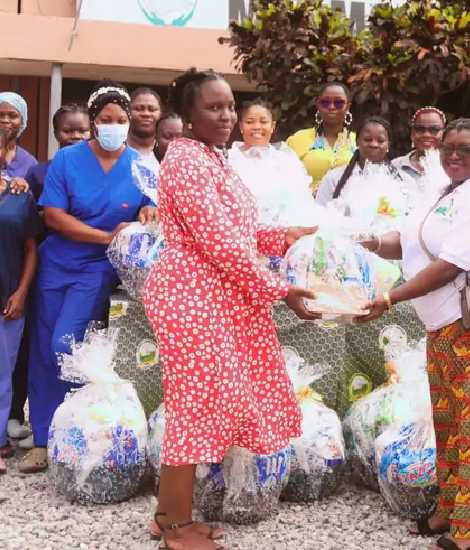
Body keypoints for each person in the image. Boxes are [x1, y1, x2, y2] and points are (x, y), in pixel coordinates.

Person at [142, 68, 319, 550]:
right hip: (191, 293)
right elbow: (218, 243)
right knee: (194, 404)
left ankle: (168, 515)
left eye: (229, 106)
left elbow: (237, 229)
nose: (225, 116)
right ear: (188, 114)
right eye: (212, 108)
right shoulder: (185, 160)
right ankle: (175, 529)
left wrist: (284, 237)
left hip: (212, 294)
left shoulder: (211, 158)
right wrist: (281, 290)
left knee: (203, 401)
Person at [358, 119, 470, 550]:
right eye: (447, 147)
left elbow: (448, 265)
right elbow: (413, 241)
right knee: (448, 416)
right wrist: (373, 241)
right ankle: (452, 507)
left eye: (465, 149)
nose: (453, 156)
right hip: (441, 322)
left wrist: (391, 297)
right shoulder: (442, 189)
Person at [18, 81, 157, 474]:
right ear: (94, 123)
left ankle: (75, 431)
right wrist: (104, 235)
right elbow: (54, 216)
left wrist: (148, 214)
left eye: (121, 120)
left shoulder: (142, 165)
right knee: (45, 350)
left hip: (98, 269)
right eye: (106, 120)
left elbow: (152, 208)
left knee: (66, 342)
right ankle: (44, 439)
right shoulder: (68, 161)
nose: (114, 126)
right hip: (56, 263)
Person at [6, 103, 92, 452]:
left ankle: (76, 423)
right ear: (55, 134)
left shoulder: (101, 168)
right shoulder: (39, 173)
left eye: (80, 130)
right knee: (36, 346)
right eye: (67, 131)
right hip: (44, 266)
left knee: (73, 345)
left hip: (88, 271)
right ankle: (30, 423)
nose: (74, 136)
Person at [0, 128, 43, 473]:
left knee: (2, 372)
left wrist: (21, 292)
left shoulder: (20, 196)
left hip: (8, 296)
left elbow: (31, 249)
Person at [228, 97, 310, 194]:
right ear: (241, 126)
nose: (257, 127)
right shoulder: (228, 159)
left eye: (263, 122)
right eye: (250, 122)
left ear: (272, 126)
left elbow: (300, 195)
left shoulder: (286, 160)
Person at [287, 82, 356, 192]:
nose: (331, 107)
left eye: (338, 103)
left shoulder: (359, 142)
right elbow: (285, 178)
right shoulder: (298, 139)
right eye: (325, 102)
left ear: (348, 106)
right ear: (318, 105)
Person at [315, 116, 399, 206]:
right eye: (367, 139)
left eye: (380, 140)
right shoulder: (333, 179)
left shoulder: (402, 181)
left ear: (388, 145)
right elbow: (320, 215)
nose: (374, 144)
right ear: (357, 142)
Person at [25, 104, 91, 200]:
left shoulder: (102, 170)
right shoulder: (37, 173)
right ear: (56, 134)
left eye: (82, 131)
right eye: (67, 131)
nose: (76, 136)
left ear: (91, 132)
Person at [392, 106, 447, 179]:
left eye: (434, 129)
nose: (426, 135)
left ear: (444, 133)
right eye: (420, 129)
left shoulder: (451, 166)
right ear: (412, 133)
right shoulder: (396, 165)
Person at [127, 87, 163, 161]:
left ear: (161, 114)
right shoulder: (116, 148)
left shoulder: (166, 151)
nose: (146, 114)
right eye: (139, 109)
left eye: (152, 109)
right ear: (128, 112)